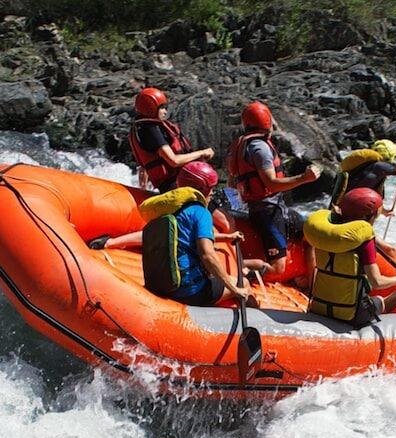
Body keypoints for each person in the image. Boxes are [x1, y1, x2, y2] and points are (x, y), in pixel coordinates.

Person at [99, 162, 268, 306]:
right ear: (202, 189)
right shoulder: (201, 213)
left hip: (162, 284)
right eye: (211, 188)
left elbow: (183, 236)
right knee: (243, 281)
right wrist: (235, 290)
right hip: (189, 291)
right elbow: (208, 256)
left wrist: (228, 237)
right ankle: (260, 325)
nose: (212, 192)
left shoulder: (169, 209)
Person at [227, 101, 320, 280]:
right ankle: (234, 266)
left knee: (309, 234)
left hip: (262, 207)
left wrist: (240, 206)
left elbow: (232, 183)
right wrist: (304, 178)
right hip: (268, 210)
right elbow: (271, 184)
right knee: (278, 268)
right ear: (267, 122)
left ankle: (309, 283)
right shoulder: (260, 148)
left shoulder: (239, 145)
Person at [305, 188, 396, 328]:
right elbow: (377, 282)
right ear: (370, 216)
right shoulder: (364, 242)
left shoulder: (326, 233)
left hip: (319, 306)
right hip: (353, 314)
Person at [128, 87, 215, 192]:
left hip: (173, 184)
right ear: (151, 108)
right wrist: (202, 153)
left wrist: (143, 189)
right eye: (162, 108)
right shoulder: (151, 130)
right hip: (175, 184)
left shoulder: (141, 129)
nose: (165, 112)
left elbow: (143, 169)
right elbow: (174, 160)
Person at [332, 139, 396, 203]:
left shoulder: (363, 166)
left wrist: (384, 212)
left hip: (343, 207)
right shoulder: (379, 167)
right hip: (353, 211)